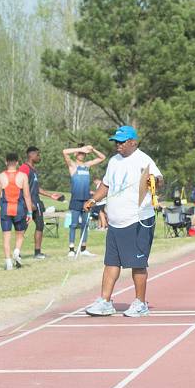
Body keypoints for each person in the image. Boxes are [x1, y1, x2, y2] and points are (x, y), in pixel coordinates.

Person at [84, 126, 163, 317]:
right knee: (111, 262)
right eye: (116, 142)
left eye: (122, 142)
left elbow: (159, 179)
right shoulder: (113, 161)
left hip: (137, 220)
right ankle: (105, 301)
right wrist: (94, 199)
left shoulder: (143, 159)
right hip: (116, 221)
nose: (118, 145)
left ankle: (140, 303)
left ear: (133, 142)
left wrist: (154, 182)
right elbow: (106, 184)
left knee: (137, 264)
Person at [19, 146, 63, 259]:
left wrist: (50, 195)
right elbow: (19, 186)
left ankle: (37, 253)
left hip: (36, 203)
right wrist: (27, 203)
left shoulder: (34, 170)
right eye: (38, 155)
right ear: (31, 155)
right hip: (27, 203)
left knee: (40, 225)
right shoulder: (24, 168)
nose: (39, 157)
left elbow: (37, 188)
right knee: (23, 227)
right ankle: (16, 252)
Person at [62, 144, 106, 257]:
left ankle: (83, 249)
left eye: (84, 153)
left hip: (86, 200)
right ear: (76, 154)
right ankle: (71, 249)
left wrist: (93, 149)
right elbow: (64, 151)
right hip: (76, 199)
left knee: (85, 225)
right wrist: (80, 149)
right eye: (81, 153)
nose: (82, 155)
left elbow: (102, 158)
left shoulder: (87, 165)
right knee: (74, 224)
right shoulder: (73, 166)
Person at [0, 153, 33, 270]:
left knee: (6, 236)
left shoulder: (0, 177)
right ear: (17, 162)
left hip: (5, 210)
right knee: (20, 234)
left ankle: (8, 262)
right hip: (19, 210)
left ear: (6, 162)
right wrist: (30, 213)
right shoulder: (23, 176)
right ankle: (16, 252)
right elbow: (27, 195)